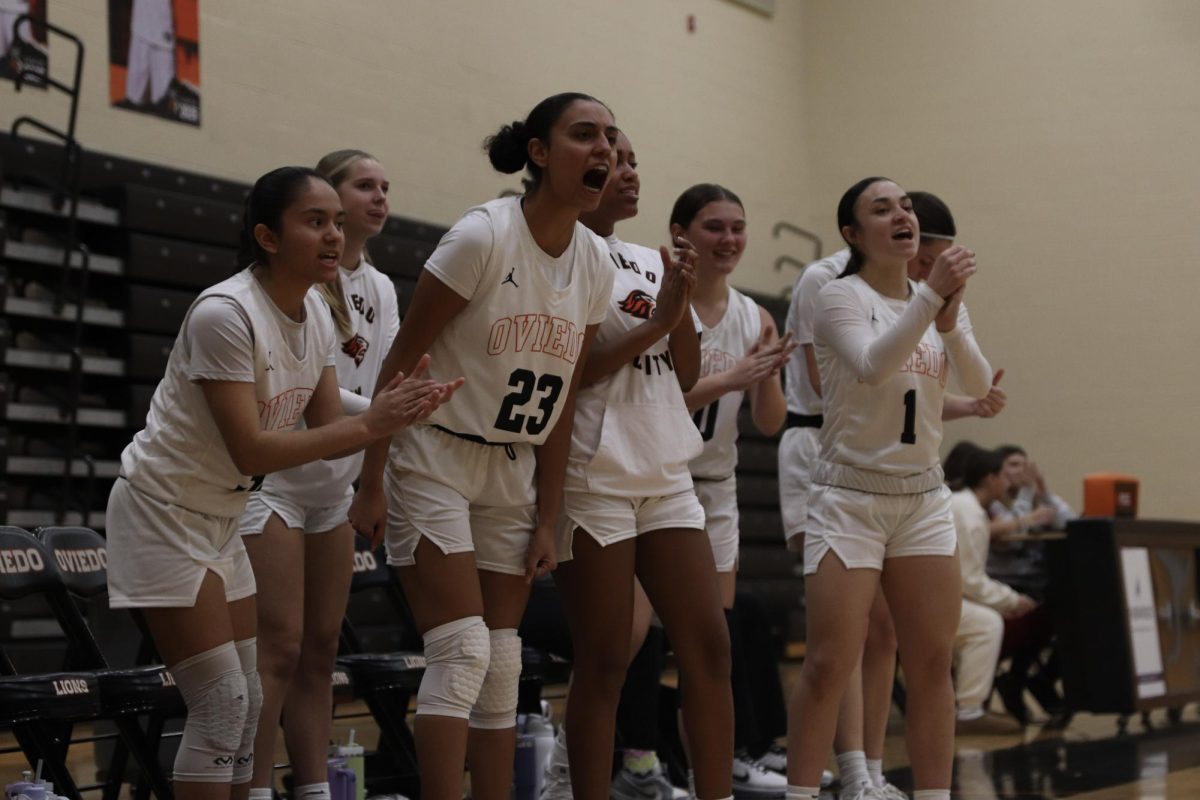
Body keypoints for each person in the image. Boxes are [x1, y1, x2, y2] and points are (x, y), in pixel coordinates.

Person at [104, 166, 456, 800]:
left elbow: (324, 420)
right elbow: (252, 449)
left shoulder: (315, 315)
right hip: (163, 510)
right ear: (267, 237)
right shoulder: (225, 313)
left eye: (337, 225)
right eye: (315, 222)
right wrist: (376, 419)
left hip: (218, 516)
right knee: (220, 703)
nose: (332, 237)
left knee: (248, 701)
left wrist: (396, 404)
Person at [348, 92, 617, 800]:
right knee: (462, 651)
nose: (605, 150)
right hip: (432, 452)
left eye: (611, 139)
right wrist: (371, 479)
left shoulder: (596, 263)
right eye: (584, 135)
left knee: (501, 661)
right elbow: (400, 362)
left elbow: (561, 402)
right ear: (538, 151)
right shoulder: (481, 237)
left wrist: (549, 514)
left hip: (513, 467)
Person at [778, 191, 1003, 799]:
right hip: (849, 495)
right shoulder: (838, 296)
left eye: (906, 205)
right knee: (829, 662)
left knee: (931, 663)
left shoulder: (933, 301)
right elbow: (873, 365)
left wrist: (951, 319)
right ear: (852, 232)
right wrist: (932, 300)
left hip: (923, 498)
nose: (902, 214)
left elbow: (981, 386)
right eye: (882, 209)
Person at [543, 132, 736, 800]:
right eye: (615, 162)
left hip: (664, 472)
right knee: (603, 660)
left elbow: (685, 371)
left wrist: (675, 304)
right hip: (593, 477)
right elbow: (570, 375)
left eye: (633, 164)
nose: (628, 173)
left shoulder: (650, 260)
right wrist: (653, 325)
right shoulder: (561, 257)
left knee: (710, 646)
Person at [238, 151, 399, 800]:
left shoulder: (381, 289)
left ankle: (312, 789)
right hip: (275, 478)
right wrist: (396, 415)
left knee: (321, 649)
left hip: (336, 479)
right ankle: (249, 787)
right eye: (364, 186)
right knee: (274, 650)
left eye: (386, 188)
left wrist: (374, 478)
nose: (379, 197)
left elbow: (381, 389)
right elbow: (326, 404)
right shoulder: (285, 289)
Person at [670, 183, 794, 797]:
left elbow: (770, 422)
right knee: (636, 641)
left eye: (738, 227)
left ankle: (710, 772)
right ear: (682, 235)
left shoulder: (756, 316)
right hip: (657, 479)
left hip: (716, 487)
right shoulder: (665, 303)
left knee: (713, 641)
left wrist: (766, 376)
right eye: (714, 227)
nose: (729, 239)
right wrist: (734, 377)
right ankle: (632, 759)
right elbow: (654, 402)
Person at [950, 447, 1029, 733]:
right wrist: (1011, 600)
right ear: (990, 479)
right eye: (1003, 476)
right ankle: (969, 711)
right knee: (986, 624)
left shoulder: (965, 506)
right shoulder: (969, 514)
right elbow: (967, 579)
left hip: (923, 595)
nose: (1008, 483)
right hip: (922, 601)